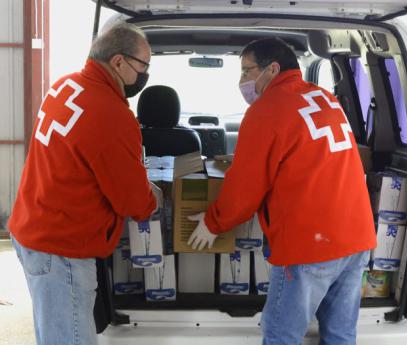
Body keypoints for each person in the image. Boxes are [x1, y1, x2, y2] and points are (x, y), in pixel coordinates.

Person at [187, 37, 377, 345]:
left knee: (280, 336)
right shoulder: (323, 98)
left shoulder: (267, 110)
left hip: (310, 247)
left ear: (272, 69)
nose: (242, 81)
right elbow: (304, 158)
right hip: (356, 239)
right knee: (341, 335)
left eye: (246, 71)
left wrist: (213, 223)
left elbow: (243, 189)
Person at [7, 23, 160, 345]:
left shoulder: (66, 86)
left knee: (54, 332)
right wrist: (154, 200)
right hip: (62, 247)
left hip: (34, 230)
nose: (145, 75)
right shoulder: (110, 114)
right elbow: (134, 203)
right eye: (143, 66)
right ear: (118, 62)